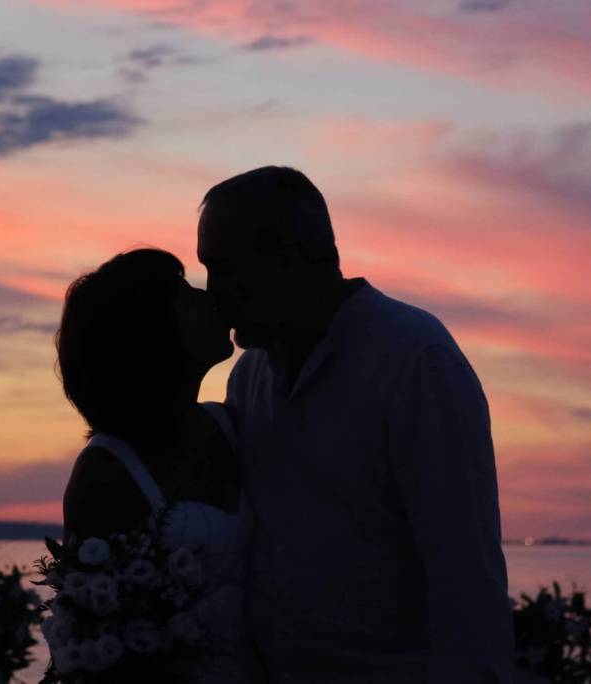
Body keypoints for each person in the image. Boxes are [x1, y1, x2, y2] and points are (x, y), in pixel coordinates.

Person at [197, 166, 515, 683]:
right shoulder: (248, 378)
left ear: (291, 256)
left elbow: (466, 580)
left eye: (226, 268)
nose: (215, 293)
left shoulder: (416, 362)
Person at [56, 247, 247, 683]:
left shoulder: (236, 423)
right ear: (151, 334)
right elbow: (92, 644)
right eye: (184, 297)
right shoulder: (107, 474)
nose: (209, 297)